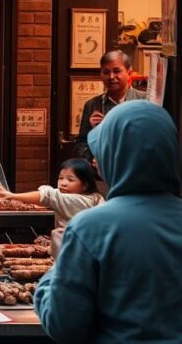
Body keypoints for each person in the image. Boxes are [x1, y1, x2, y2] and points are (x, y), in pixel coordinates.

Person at [34, 101, 182, 343]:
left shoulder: (90, 228)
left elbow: (62, 325)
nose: (95, 161)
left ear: (116, 156)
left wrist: (58, 266)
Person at [0, 158, 104, 234]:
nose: (63, 183)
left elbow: (48, 196)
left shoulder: (81, 201)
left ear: (85, 185)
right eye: (61, 178)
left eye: (70, 179)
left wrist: (12, 196)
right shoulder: (95, 196)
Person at [75, 50, 145, 163]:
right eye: (106, 72)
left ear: (129, 73)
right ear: (101, 74)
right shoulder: (92, 105)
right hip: (101, 175)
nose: (111, 77)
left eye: (117, 71)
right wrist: (91, 159)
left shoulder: (144, 102)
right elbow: (81, 142)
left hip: (136, 173)